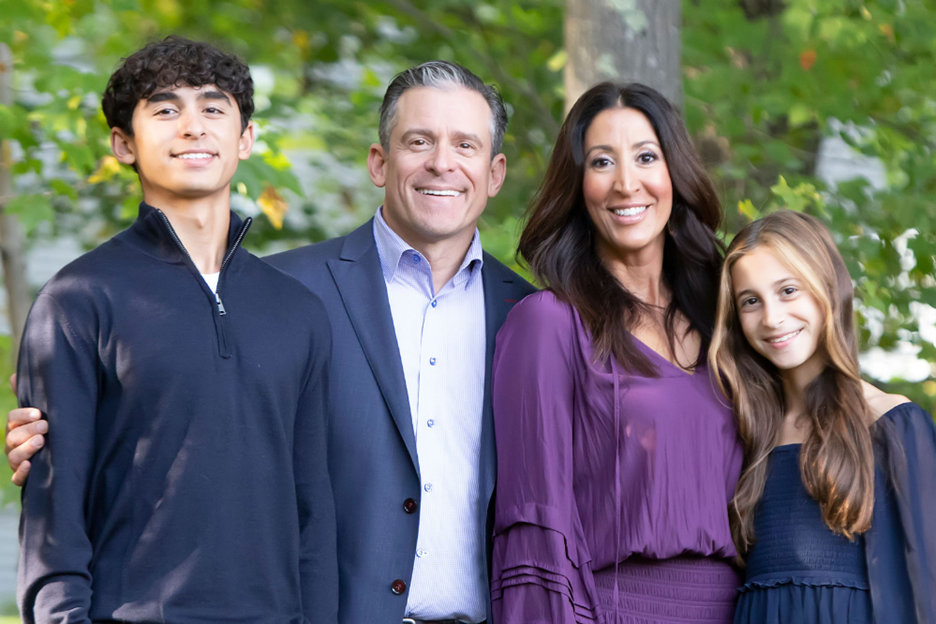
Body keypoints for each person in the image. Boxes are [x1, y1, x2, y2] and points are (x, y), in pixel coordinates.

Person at [7, 60, 536, 624]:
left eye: (465, 145)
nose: (442, 163)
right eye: (419, 141)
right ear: (379, 162)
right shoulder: (283, 293)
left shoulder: (532, 317)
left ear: (496, 172)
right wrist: (72, 434)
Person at [13, 37, 337, 623]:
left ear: (245, 140)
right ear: (123, 144)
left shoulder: (299, 311)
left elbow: (313, 509)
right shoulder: (78, 300)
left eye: (214, 109)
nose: (192, 126)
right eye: (165, 110)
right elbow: (53, 521)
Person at [490, 82, 743, 623]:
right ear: (579, 185)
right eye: (602, 162)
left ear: (674, 172)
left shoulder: (727, 320)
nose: (627, 184)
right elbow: (535, 528)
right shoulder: (549, 324)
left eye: (646, 157)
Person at [709, 209, 936, 624]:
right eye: (751, 301)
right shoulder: (744, 434)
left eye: (788, 290)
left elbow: (925, 595)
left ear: (827, 288)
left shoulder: (893, 426)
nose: (772, 318)